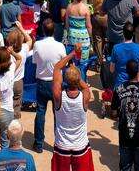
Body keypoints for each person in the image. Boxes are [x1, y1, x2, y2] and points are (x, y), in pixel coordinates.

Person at [51, 50, 94, 171]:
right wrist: (75, 74)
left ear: (66, 80)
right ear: (78, 80)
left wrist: (72, 54)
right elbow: (85, 86)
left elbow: (56, 68)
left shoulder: (58, 96)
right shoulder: (85, 96)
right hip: (80, 146)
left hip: (62, 146)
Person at [112, 58, 139, 171]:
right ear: (138, 72)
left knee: (125, 167)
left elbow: (114, 113)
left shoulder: (118, 89)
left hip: (125, 137)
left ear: (126, 72)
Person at [32, 20, 66, 154]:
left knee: (40, 112)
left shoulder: (37, 45)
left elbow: (35, 62)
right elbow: (64, 63)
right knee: (57, 113)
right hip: (56, 83)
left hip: (41, 82)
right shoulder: (60, 46)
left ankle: (39, 143)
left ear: (43, 30)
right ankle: (59, 143)